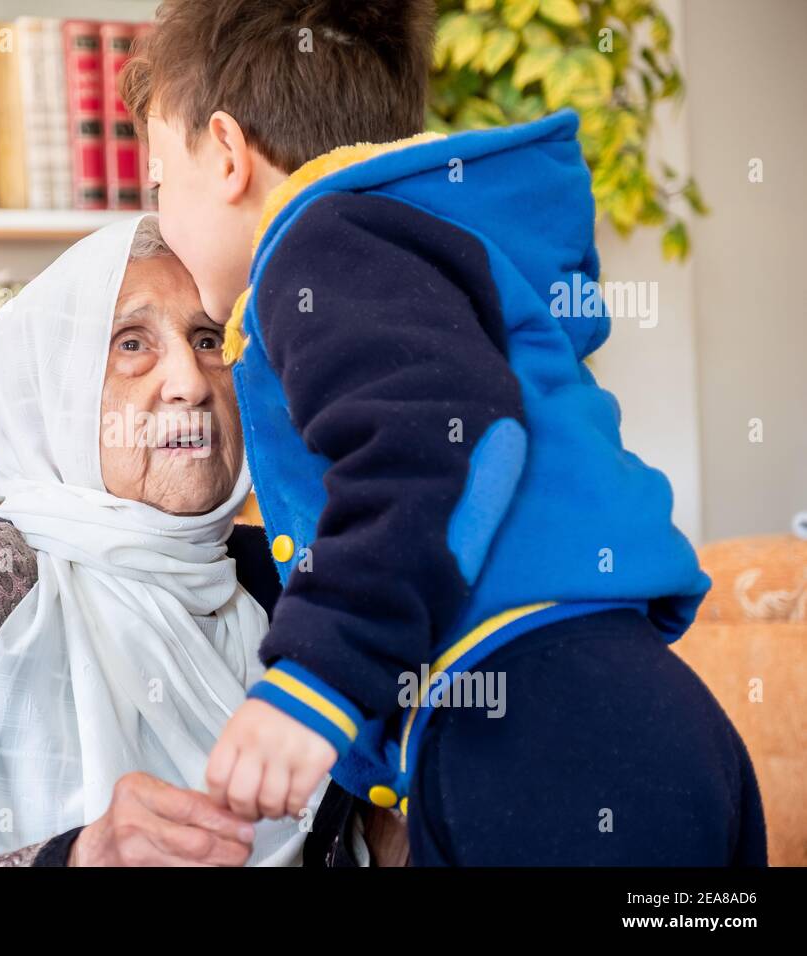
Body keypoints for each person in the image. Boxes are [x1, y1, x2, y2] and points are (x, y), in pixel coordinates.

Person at [120, 0, 766, 864]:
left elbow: (442, 446)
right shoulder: (414, 237)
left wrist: (316, 679)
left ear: (230, 156)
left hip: (545, 728)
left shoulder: (317, 245)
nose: (159, 215)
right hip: (630, 712)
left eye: (160, 183)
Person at [0, 216, 404, 866]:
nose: (191, 383)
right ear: (60, 387)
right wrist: (78, 858)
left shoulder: (288, 577)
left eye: (206, 340)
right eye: (132, 343)